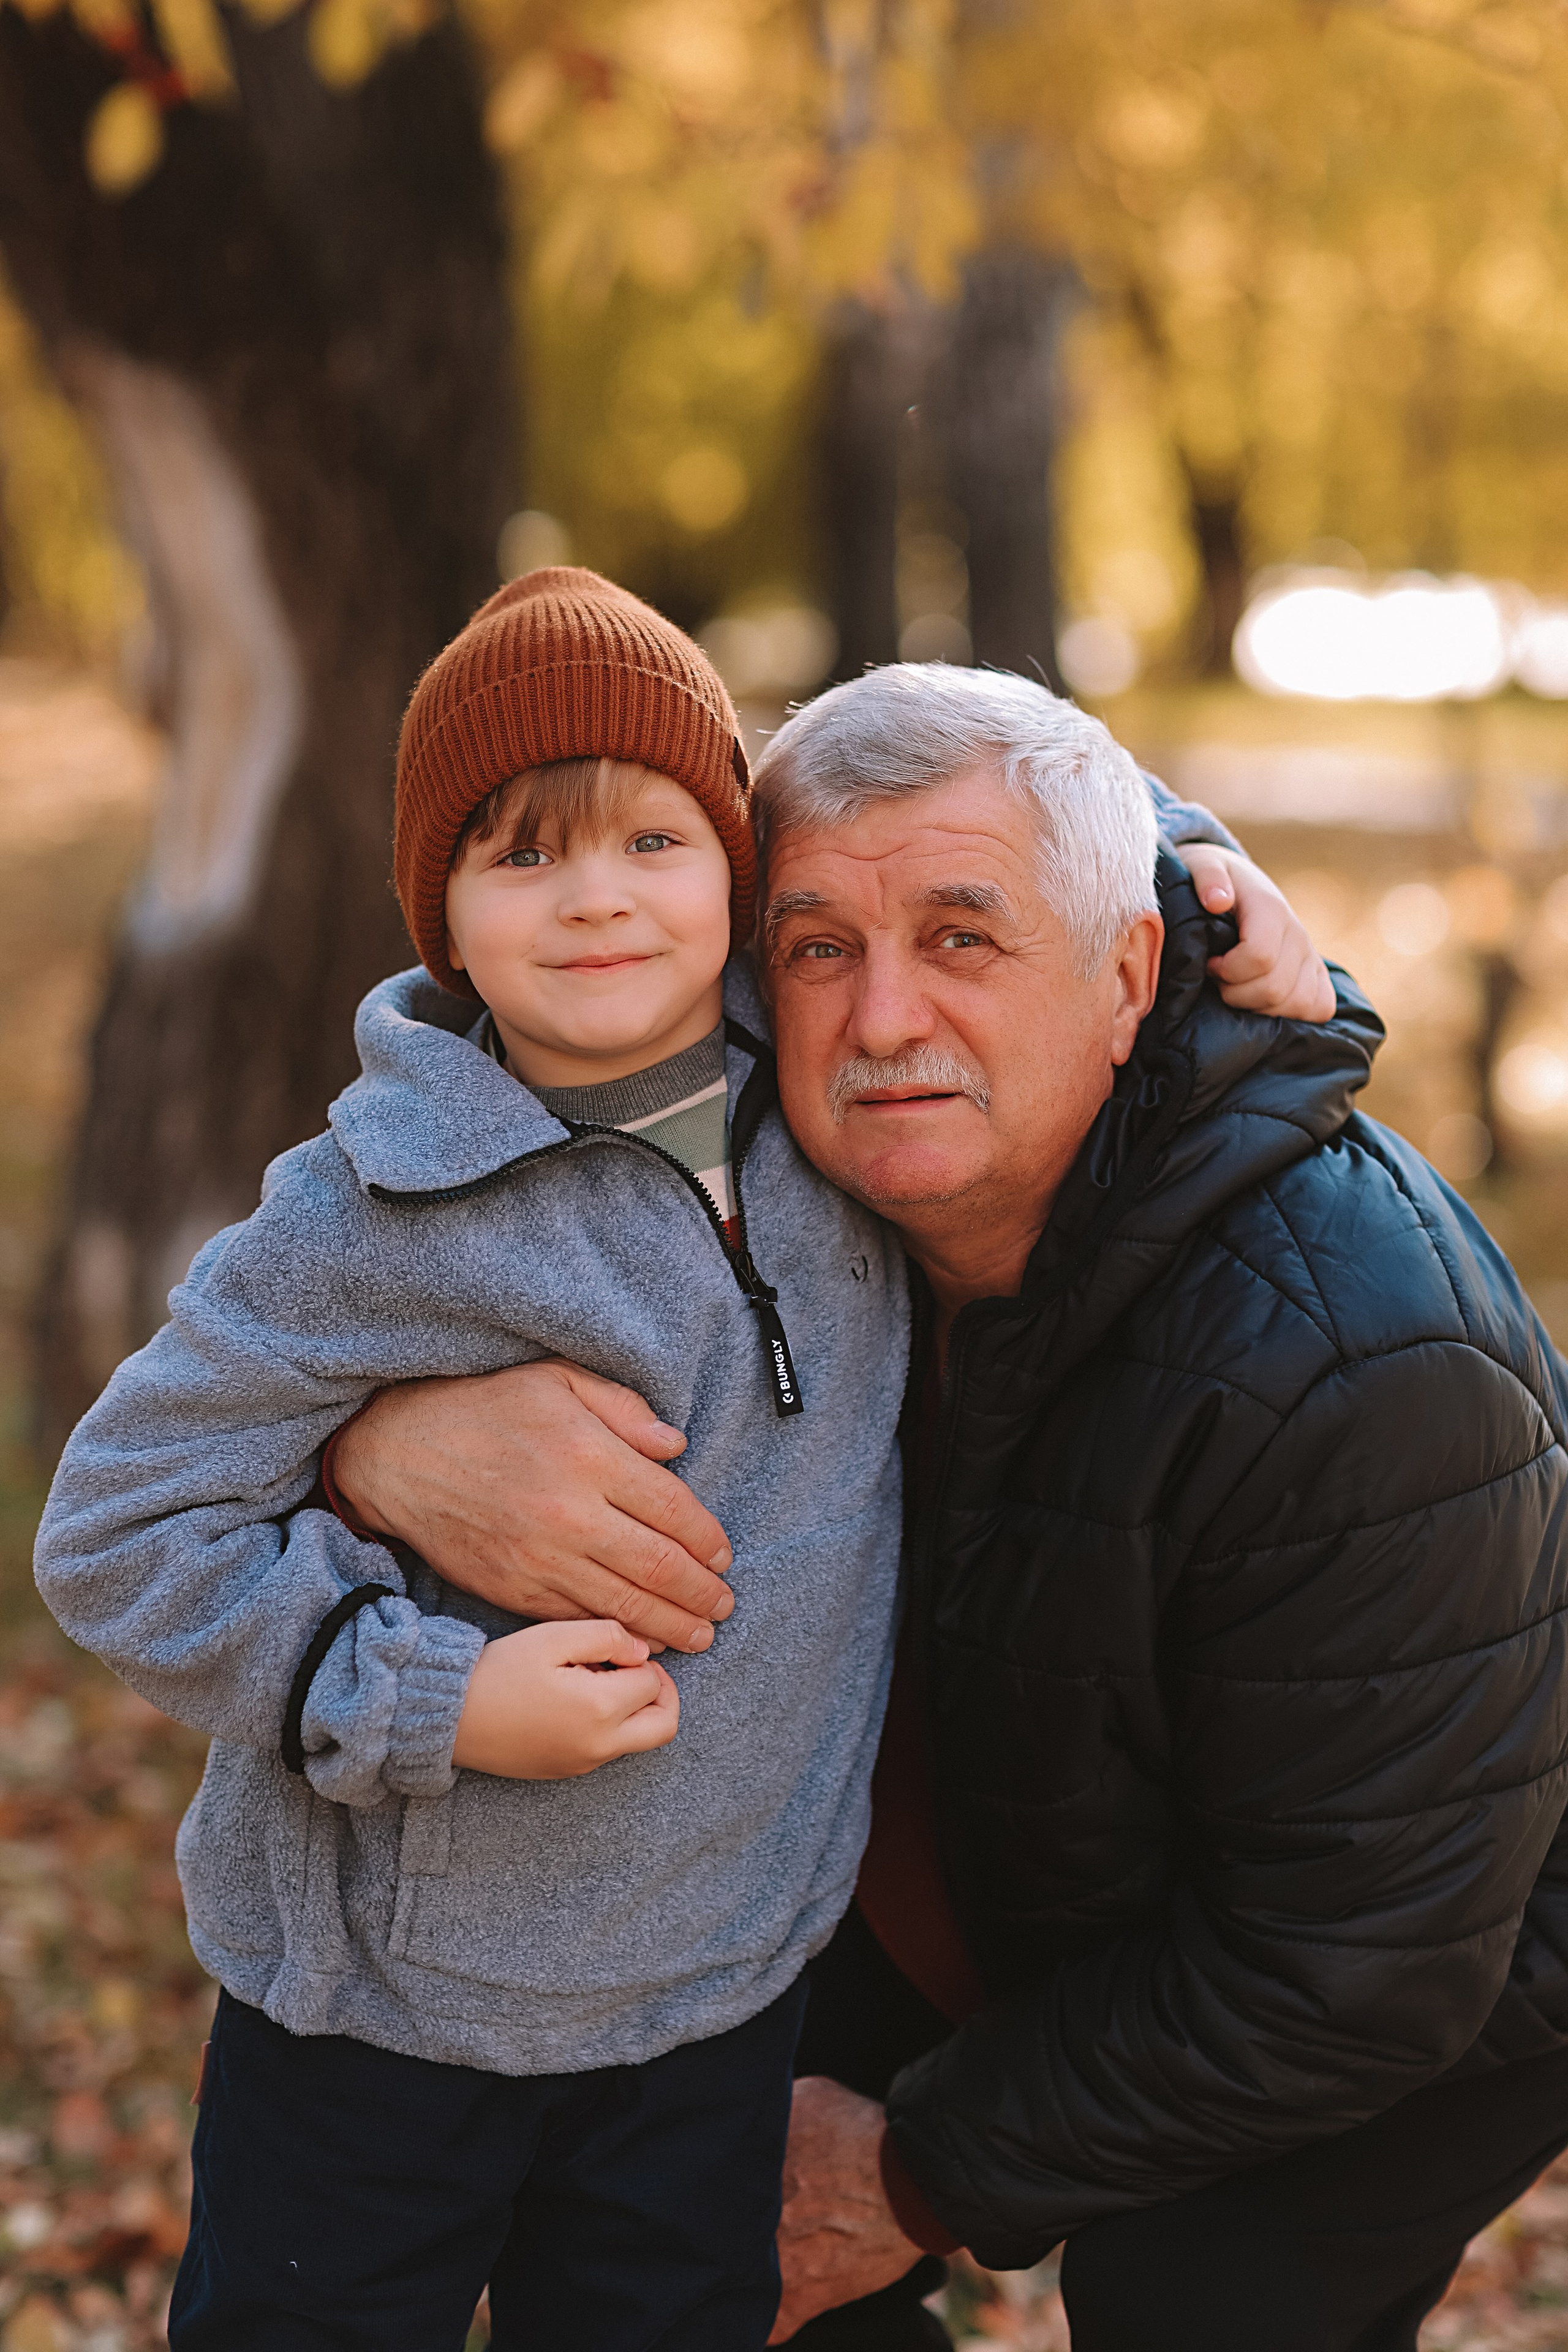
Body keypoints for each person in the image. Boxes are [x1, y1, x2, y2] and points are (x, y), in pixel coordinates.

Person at [34, 574, 1316, 2350]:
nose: (601, 897)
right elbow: (116, 1532)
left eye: (654, 837)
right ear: (445, 924)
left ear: (735, 871)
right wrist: (427, 1698)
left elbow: (998, 846)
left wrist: (1205, 868)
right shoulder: (370, 1212)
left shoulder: (823, 1091)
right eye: (525, 857)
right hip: (385, 2023)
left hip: (715, 2012)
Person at [330, 662, 1568, 2352]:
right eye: (820, 949)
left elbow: (1361, 1968)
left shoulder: (1360, 1362)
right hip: (1013, 1835)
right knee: (646, 2187)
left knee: (1198, 2297)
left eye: (968, 943)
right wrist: (374, 1439)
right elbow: (519, 982)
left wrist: (913, 2167)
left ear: (1130, 971)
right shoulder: (762, 1167)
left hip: (1417, 1947)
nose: (887, 1018)